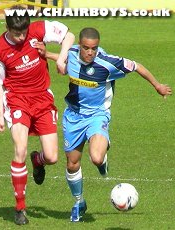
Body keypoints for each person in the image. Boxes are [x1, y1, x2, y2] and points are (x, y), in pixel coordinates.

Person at [42, 27, 172, 222]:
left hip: (97, 115)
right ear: (80, 45)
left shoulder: (108, 63)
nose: (89, 52)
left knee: (95, 157)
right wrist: (47, 54)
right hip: (73, 116)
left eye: (93, 48)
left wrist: (157, 86)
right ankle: (79, 202)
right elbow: (63, 58)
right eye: (86, 48)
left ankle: (102, 156)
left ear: (98, 46)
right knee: (72, 163)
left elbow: (137, 66)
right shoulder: (71, 53)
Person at [0, 5, 75, 225]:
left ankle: (38, 161)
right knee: (19, 149)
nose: (21, 37)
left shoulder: (38, 30)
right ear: (6, 27)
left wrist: (60, 57)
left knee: (52, 157)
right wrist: (1, 114)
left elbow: (69, 35)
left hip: (42, 100)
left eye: (24, 32)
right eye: (16, 33)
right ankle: (20, 208)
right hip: (17, 100)